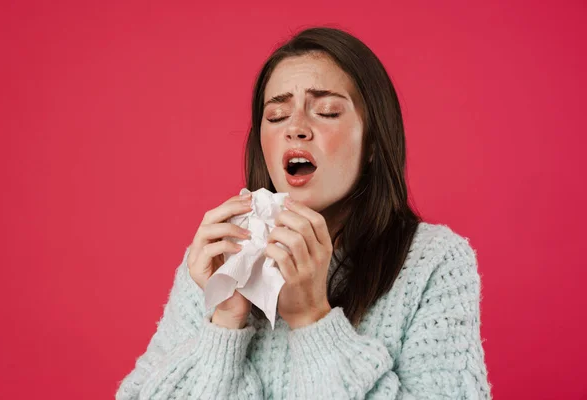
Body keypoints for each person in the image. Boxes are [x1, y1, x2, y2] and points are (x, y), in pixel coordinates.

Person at [116, 27, 492, 399]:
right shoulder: (219, 258)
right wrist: (225, 322)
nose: (295, 128)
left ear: (374, 142)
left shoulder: (434, 262)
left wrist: (312, 318)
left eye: (326, 111)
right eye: (277, 116)